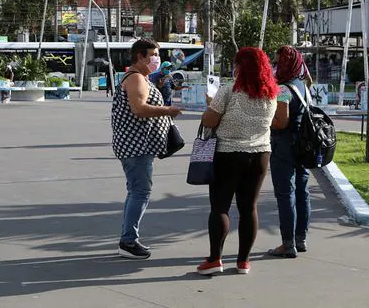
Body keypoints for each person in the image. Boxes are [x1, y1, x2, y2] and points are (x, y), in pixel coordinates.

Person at [197, 47, 279, 275]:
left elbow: (209, 121)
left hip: (228, 154)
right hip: (260, 155)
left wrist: (210, 104)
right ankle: (243, 261)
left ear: (240, 66)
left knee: (220, 207)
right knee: (249, 208)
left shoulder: (228, 91)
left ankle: (215, 259)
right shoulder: (272, 93)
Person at [111, 38, 183, 259]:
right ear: (140, 56)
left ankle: (128, 237)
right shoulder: (135, 79)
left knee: (136, 191)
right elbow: (139, 109)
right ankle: (128, 241)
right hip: (136, 147)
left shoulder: (141, 78)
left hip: (138, 145)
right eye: (153, 55)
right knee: (140, 192)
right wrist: (167, 110)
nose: (157, 60)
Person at [268, 45, 312, 258]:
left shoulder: (283, 89)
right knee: (302, 192)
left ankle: (287, 244)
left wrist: (266, 122)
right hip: (303, 146)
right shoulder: (302, 86)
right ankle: (300, 239)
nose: (275, 67)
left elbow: (281, 122)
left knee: (286, 194)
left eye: (277, 63)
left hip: (284, 146)